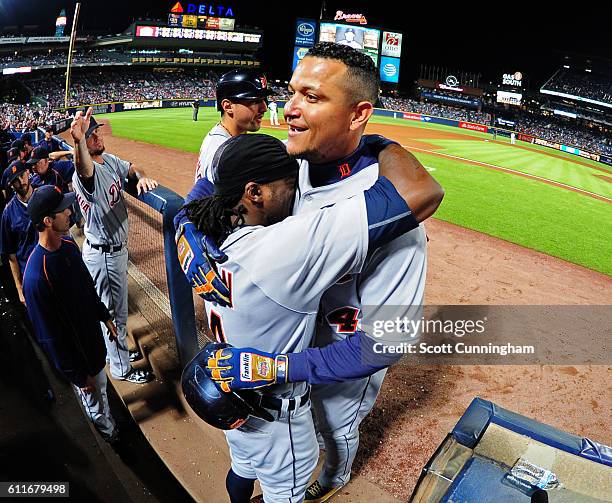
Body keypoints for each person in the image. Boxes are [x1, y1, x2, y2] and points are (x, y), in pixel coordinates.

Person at [178, 42, 443, 502]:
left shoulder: (395, 223)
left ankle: (333, 479)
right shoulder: (284, 163)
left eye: (312, 97)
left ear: (359, 114)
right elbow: (212, 186)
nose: (288, 110)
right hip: (282, 361)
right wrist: (187, 228)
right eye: (292, 92)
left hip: (341, 362)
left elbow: (388, 340)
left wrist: (287, 366)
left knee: (334, 434)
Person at [22, 185, 119, 443]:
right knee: (95, 403)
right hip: (79, 360)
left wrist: (103, 314)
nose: (68, 211)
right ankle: (109, 439)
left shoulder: (67, 245)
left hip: (92, 343)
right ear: (48, 221)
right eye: (62, 210)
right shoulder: (35, 276)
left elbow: (86, 285)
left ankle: (108, 423)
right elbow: (48, 337)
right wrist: (76, 375)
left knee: (102, 388)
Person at [69, 107, 157, 384]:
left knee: (110, 311)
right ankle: (121, 369)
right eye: (92, 134)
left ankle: (114, 354)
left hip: (109, 251)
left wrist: (140, 176)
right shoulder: (87, 174)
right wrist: (78, 142)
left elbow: (130, 167)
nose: (97, 136)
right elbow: (82, 169)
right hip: (104, 255)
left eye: (96, 132)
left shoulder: (108, 160)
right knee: (113, 316)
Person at [194, 69, 272, 183]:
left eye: (264, 100)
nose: (264, 108)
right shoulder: (223, 153)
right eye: (255, 101)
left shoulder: (226, 140)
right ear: (228, 106)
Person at [0, 161, 37, 304]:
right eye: (15, 180)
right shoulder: (8, 213)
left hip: (56, 267)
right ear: (11, 184)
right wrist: (19, 288)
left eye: (22, 175)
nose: (21, 182)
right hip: (32, 277)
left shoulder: (46, 195)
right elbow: (11, 255)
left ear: (28, 173)